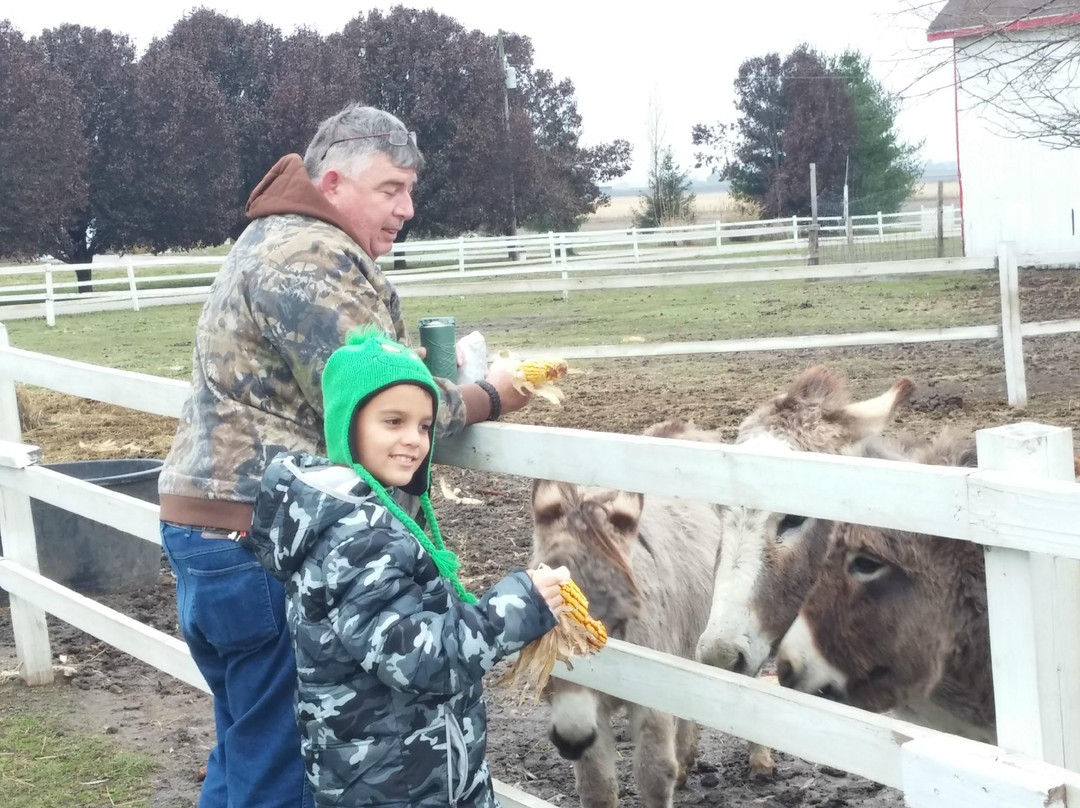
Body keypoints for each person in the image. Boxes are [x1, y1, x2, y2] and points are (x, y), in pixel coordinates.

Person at [157, 103, 530, 808]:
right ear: (333, 184)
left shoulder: (271, 239)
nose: (406, 208)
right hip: (264, 548)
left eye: (410, 191)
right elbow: (384, 393)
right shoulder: (311, 256)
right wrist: (490, 394)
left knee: (247, 758)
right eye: (390, 189)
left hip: (219, 535)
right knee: (283, 775)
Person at [244, 328, 563, 807]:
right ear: (348, 425)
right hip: (393, 784)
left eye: (424, 426)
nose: (413, 440)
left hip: (408, 769)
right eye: (392, 421)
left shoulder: (369, 517)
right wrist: (520, 606)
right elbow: (420, 660)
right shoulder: (358, 541)